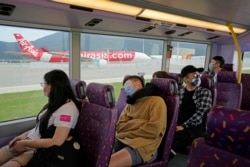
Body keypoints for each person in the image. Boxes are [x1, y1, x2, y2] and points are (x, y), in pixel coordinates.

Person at [0, 69, 79, 167]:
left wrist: (25, 143)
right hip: (28, 142)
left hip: (37, 150)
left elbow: (57, 141)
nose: (43, 87)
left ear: (55, 86)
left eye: (45, 84)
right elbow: (40, 127)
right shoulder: (55, 103)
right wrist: (22, 136)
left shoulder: (67, 110)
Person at [109, 75, 167, 167]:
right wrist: (140, 123)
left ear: (138, 83)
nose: (125, 89)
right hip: (122, 140)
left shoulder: (156, 101)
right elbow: (119, 126)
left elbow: (154, 130)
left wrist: (129, 126)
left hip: (144, 146)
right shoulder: (130, 104)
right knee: (99, 158)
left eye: (127, 85)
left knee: (109, 163)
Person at [171, 65, 212, 157]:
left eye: (199, 76)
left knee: (175, 137)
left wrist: (183, 126)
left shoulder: (205, 92)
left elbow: (201, 114)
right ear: (185, 79)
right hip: (178, 124)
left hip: (196, 127)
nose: (198, 78)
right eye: (195, 76)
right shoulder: (179, 92)